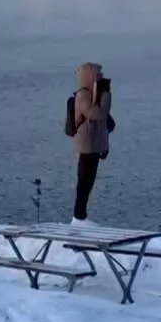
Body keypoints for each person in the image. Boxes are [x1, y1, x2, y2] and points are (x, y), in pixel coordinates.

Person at [72, 62, 112, 224]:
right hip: (86, 145)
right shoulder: (83, 95)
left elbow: (102, 125)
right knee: (84, 181)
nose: (101, 77)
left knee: (89, 181)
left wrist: (105, 146)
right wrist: (106, 96)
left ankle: (82, 216)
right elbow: (97, 114)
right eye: (98, 74)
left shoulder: (95, 94)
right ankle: (79, 217)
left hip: (95, 144)